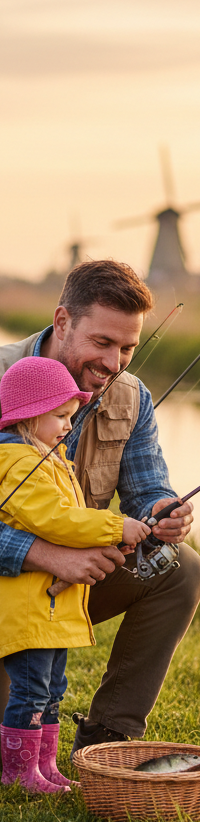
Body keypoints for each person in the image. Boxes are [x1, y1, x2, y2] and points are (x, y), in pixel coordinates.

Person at [0, 259, 199, 757]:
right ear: (63, 321)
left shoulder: (134, 396)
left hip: (74, 583)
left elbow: (146, 489)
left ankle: (108, 738)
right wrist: (45, 555)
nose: (114, 364)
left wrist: (163, 512)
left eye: (128, 348)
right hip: (9, 582)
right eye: (103, 343)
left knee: (182, 567)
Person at [0, 354, 150, 792]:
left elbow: (68, 521)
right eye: (61, 416)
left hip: (52, 612)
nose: (69, 425)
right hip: (31, 614)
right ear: (29, 416)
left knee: (51, 691)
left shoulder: (48, 459)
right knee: (30, 691)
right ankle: (18, 773)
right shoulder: (16, 464)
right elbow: (55, 519)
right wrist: (113, 524)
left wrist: (107, 540)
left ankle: (44, 768)